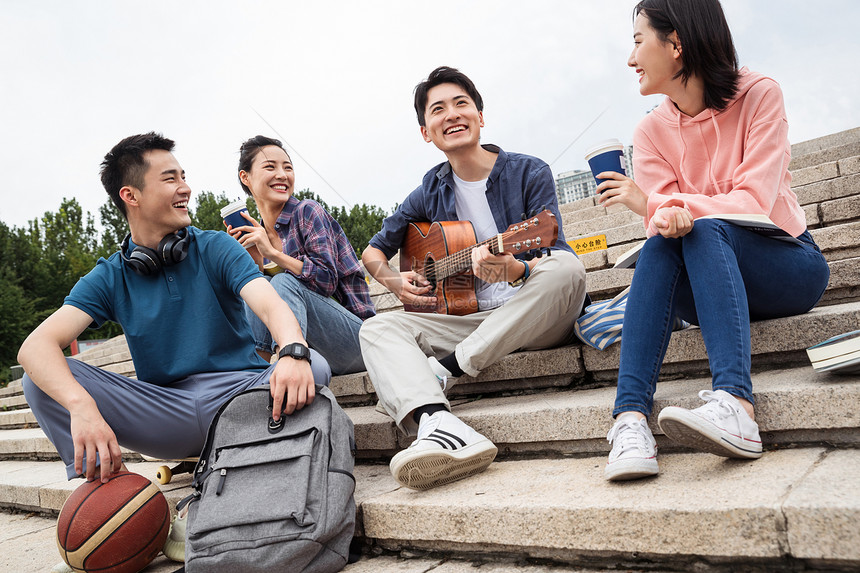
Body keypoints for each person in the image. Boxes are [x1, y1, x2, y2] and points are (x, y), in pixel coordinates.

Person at [18, 133, 331, 566]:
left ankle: (213, 499)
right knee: (37, 380)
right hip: (165, 412)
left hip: (240, 398)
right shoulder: (110, 275)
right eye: (170, 178)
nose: (185, 187)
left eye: (184, 176)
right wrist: (81, 406)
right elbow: (34, 346)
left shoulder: (216, 246)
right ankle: (126, 503)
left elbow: (269, 303)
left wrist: (292, 349)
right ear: (131, 195)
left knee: (312, 364)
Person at [596, 0, 830, 481]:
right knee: (665, 242)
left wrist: (658, 205)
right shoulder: (651, 131)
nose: (630, 58)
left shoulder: (760, 94)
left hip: (785, 267)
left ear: (676, 43)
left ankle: (736, 405)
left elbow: (755, 200)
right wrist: (664, 214)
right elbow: (664, 223)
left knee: (700, 226)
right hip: (704, 286)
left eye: (638, 41)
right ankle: (631, 420)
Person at [360, 66, 587, 491]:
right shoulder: (429, 190)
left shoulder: (528, 172)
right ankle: (437, 421)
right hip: (471, 319)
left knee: (568, 270)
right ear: (426, 132)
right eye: (438, 109)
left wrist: (513, 269)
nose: (452, 114)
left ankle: (445, 371)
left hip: (531, 316)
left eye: (461, 103)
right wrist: (394, 282)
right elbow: (372, 253)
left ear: (481, 117)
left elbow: (552, 252)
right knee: (377, 327)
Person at [225, 135, 374, 375]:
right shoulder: (258, 233)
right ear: (246, 177)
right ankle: (256, 372)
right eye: (270, 167)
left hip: (360, 343)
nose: (282, 175)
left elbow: (326, 281)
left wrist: (273, 253)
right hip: (317, 355)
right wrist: (254, 262)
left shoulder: (307, 211)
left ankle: (276, 365)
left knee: (283, 281)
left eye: (288, 167)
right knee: (257, 284)